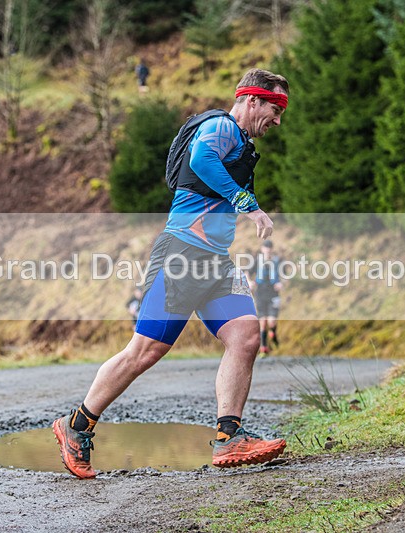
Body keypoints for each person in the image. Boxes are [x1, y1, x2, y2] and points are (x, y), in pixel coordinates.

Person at [53, 68, 290, 479]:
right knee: (144, 351)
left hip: (215, 261)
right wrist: (246, 202)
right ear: (251, 100)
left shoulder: (240, 141)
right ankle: (76, 426)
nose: (278, 119)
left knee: (246, 335)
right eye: (275, 108)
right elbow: (201, 158)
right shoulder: (222, 127)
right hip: (182, 254)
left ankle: (229, 437)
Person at [251, 239, 282, 355]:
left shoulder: (277, 262)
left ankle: (273, 334)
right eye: (265, 248)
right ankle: (263, 347)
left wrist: (281, 283)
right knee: (262, 322)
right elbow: (248, 272)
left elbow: (285, 275)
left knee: (272, 322)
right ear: (262, 249)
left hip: (273, 294)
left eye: (269, 248)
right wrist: (250, 282)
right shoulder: (257, 261)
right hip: (260, 293)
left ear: (272, 250)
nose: (267, 250)